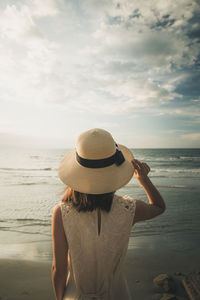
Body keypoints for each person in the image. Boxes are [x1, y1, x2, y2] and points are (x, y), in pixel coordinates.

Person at [51, 128, 166, 300]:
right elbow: (158, 207)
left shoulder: (62, 213)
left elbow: (58, 270)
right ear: (113, 173)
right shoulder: (128, 209)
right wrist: (144, 179)